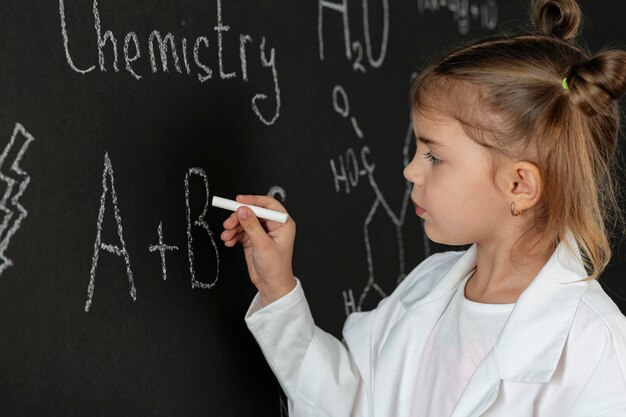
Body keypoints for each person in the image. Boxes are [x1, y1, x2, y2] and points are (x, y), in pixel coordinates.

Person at [219, 0, 626, 415]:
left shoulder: (597, 352)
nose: (411, 170)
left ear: (518, 185)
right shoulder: (426, 288)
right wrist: (278, 289)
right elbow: (351, 402)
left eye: (434, 156)